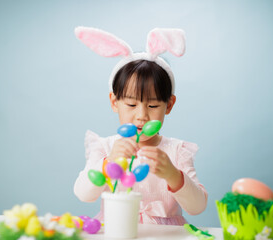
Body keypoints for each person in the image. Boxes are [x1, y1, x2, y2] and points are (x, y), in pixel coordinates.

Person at [73, 27, 207, 225]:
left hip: (165, 237)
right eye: (131, 105)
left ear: (169, 105)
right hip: (117, 231)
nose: (142, 116)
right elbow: (83, 194)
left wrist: (172, 174)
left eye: (153, 105)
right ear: (114, 102)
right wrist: (108, 163)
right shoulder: (105, 148)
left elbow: (198, 207)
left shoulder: (176, 151)